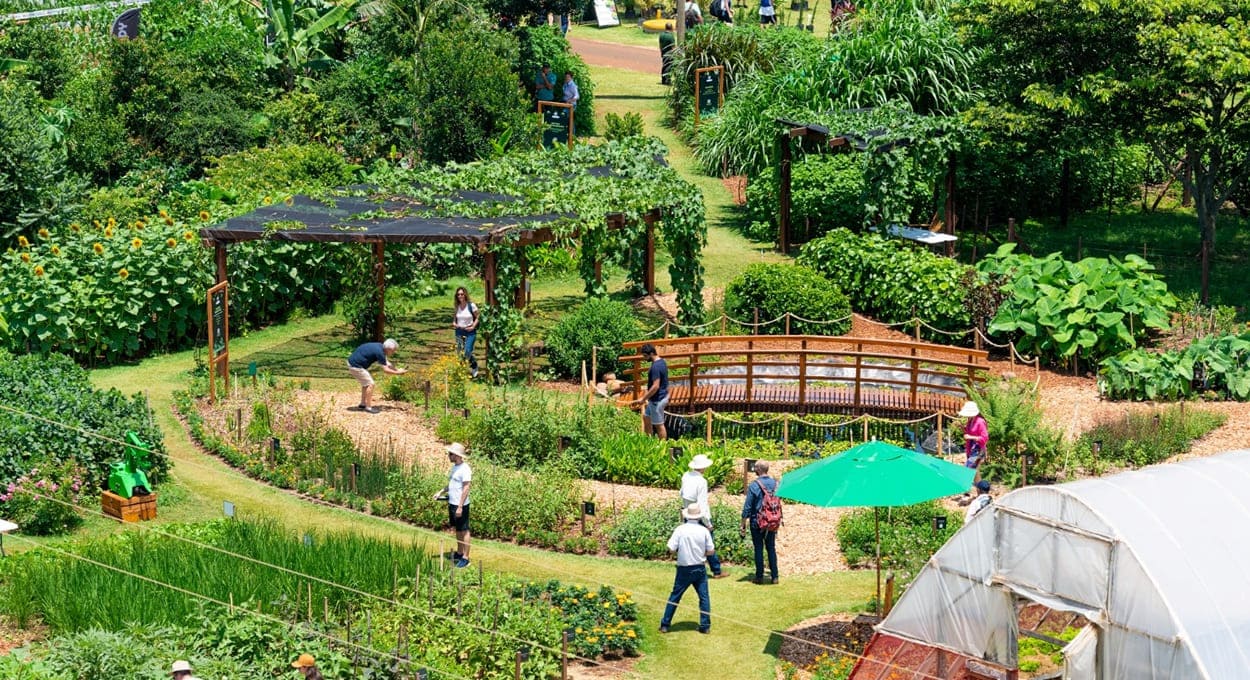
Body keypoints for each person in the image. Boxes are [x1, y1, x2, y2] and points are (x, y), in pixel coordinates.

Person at [659, 505, 714, 634]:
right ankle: (705, 625)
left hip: (684, 568)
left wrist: (678, 552)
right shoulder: (704, 531)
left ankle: (665, 624)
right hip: (699, 567)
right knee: (704, 597)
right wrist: (702, 554)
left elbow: (671, 548)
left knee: (675, 596)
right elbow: (711, 551)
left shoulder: (680, 530)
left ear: (686, 516)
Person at [680, 454, 726, 578]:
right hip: (699, 515)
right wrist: (708, 523)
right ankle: (716, 571)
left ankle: (689, 566)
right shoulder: (701, 481)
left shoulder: (686, 476)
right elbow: (702, 503)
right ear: (703, 467)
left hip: (687, 512)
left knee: (688, 541)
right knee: (708, 542)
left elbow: (682, 494)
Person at [434, 442, 473, 568]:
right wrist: (440, 492)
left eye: (450, 454)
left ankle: (466, 558)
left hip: (461, 505)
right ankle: (459, 552)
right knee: (457, 529)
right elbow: (451, 484)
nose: (448, 455)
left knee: (464, 530)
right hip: (452, 503)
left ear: (456, 455)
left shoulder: (465, 469)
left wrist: (460, 506)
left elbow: (466, 488)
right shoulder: (454, 468)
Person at [740, 460, 778, 584]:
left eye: (755, 468)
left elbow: (748, 506)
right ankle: (775, 576)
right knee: (771, 547)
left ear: (759, 470)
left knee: (758, 548)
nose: (754, 470)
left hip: (757, 521)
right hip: (772, 521)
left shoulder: (754, 485)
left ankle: (759, 576)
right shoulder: (775, 483)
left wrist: (743, 523)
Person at [347, 338, 407, 413]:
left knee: (366, 384)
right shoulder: (380, 352)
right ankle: (368, 407)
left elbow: (387, 363)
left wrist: (397, 370)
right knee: (370, 384)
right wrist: (399, 373)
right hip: (355, 365)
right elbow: (386, 370)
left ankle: (363, 404)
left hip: (352, 363)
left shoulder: (380, 347)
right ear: (388, 349)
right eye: (393, 350)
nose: (394, 352)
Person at [630, 343, 669, 439]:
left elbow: (655, 386)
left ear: (651, 353)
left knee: (659, 425)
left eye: (645, 356)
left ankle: (662, 447)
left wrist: (643, 398)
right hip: (657, 398)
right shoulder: (662, 361)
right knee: (646, 417)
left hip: (658, 400)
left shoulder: (655, 367)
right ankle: (649, 441)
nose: (644, 358)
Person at [453, 287, 480, 378]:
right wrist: (454, 323)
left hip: (470, 331)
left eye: (462, 294)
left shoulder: (471, 305)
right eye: (458, 294)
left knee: (467, 351)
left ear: (465, 295)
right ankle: (460, 371)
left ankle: (474, 365)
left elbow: (478, 316)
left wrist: (473, 326)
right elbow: (455, 319)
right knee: (460, 352)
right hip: (459, 331)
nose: (460, 296)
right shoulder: (457, 306)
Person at [960, 400, 988, 481]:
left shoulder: (980, 421)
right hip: (971, 449)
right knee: (975, 472)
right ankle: (980, 490)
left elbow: (984, 437)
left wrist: (970, 437)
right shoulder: (970, 420)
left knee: (967, 468)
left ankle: (965, 488)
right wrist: (963, 428)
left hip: (978, 450)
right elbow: (969, 433)